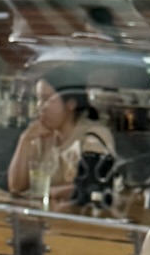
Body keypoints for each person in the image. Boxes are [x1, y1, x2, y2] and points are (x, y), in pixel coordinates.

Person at [6, 78, 117, 209]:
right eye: (38, 99)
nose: (39, 107)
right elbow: (16, 187)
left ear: (70, 104)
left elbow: (93, 186)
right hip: (43, 214)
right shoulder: (40, 136)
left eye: (46, 99)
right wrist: (24, 140)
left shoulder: (94, 135)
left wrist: (49, 193)